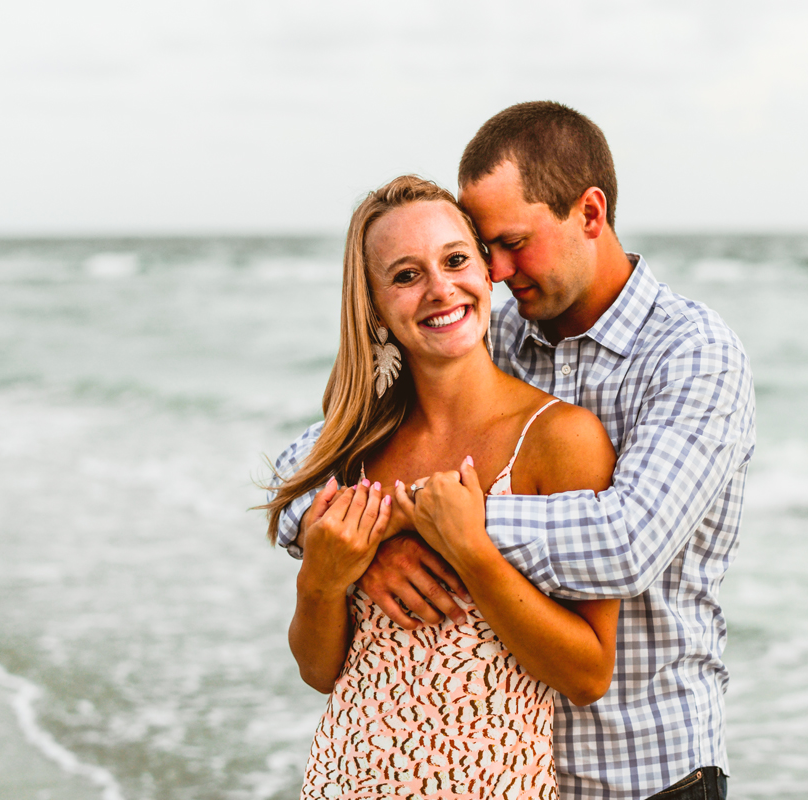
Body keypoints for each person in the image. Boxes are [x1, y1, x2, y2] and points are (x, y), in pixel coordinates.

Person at [275, 101, 756, 800]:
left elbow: (625, 542)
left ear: (589, 214)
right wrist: (363, 541)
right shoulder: (490, 334)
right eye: (484, 247)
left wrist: (428, 521)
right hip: (492, 773)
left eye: (510, 242)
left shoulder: (692, 355)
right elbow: (303, 471)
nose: (494, 271)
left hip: (642, 772)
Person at [264, 175, 620, 798]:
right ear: (373, 305)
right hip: (343, 780)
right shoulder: (355, 445)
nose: (439, 289)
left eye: (455, 261)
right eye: (405, 275)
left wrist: (472, 549)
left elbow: (588, 673)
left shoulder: (559, 437)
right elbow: (320, 672)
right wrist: (320, 579)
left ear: (487, 274)